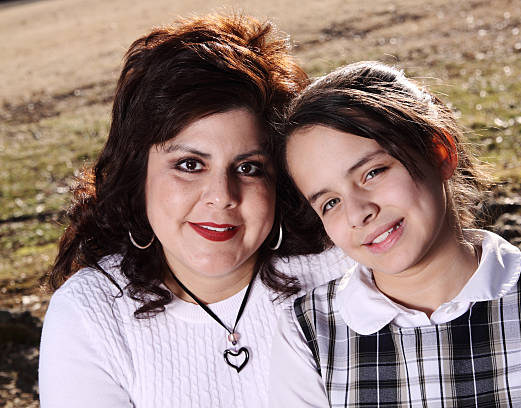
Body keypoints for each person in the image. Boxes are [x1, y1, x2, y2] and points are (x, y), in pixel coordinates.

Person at [38, 15, 353, 407]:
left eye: (248, 168)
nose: (221, 197)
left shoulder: (342, 271)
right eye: (189, 164)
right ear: (139, 173)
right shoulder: (91, 314)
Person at [270, 61, 521, 406]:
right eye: (330, 202)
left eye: (373, 173)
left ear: (439, 152)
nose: (359, 212)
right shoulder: (309, 334)